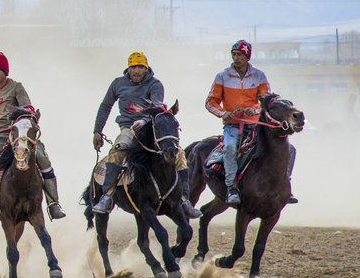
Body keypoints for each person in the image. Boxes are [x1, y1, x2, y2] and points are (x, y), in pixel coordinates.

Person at [92, 51, 202, 218]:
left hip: (151, 128)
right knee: (118, 150)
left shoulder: (155, 84)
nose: (136, 70)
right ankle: (107, 196)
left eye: (140, 67)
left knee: (179, 154)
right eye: (133, 67)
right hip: (128, 128)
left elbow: (157, 106)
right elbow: (105, 106)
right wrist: (97, 131)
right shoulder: (118, 84)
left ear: (146, 68)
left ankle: (185, 200)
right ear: (128, 68)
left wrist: (144, 121)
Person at [0, 51, 66, 224]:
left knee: (42, 158)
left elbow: (28, 108)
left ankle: (53, 203)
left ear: (5, 71)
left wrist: (25, 118)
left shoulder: (16, 87)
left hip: (21, 135)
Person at [206, 40, 297, 207]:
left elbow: (267, 101)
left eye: (239, 54)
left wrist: (254, 109)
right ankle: (232, 187)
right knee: (230, 148)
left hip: (256, 125)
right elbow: (210, 102)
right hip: (232, 125)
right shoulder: (222, 76)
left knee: (290, 149)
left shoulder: (259, 76)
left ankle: (285, 186)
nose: (236, 58)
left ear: (247, 56)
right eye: (233, 54)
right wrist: (225, 113)